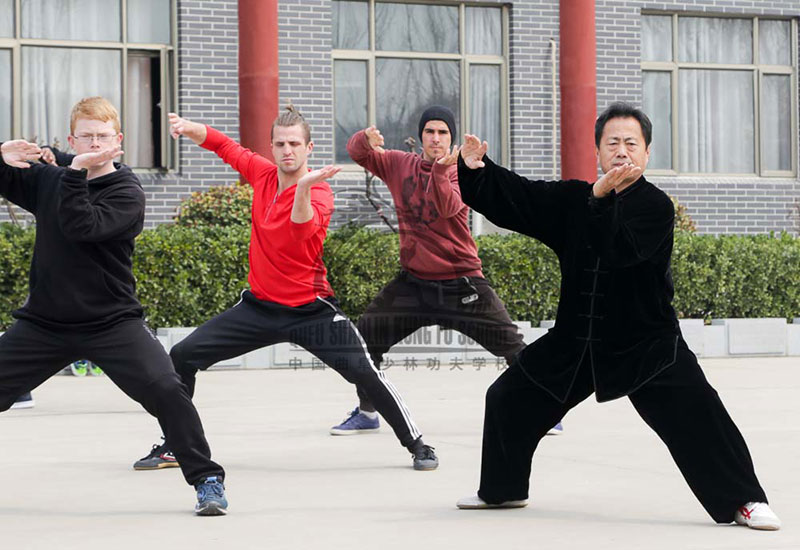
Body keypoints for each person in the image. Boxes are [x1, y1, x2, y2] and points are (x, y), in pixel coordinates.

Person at [452, 102, 780, 531]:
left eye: (631, 143)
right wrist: (478, 170)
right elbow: (522, 198)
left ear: (646, 153)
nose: (622, 150)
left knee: (699, 414)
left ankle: (745, 501)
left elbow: (621, 249)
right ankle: (503, 489)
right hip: (576, 340)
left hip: (646, 343)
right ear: (599, 152)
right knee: (508, 398)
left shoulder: (656, 207)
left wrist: (600, 200)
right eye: (613, 143)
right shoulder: (574, 199)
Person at [134, 106, 438, 472]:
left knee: (365, 372)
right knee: (182, 356)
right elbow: (225, 147)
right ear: (272, 148)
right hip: (259, 308)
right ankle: (175, 444)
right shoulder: (262, 174)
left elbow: (299, 232)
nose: (287, 150)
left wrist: (304, 189)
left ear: (309, 148)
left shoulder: (321, 192)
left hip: (311, 311)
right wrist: (190, 127)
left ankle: (418, 444)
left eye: (295, 143)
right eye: (280, 143)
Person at [0, 97, 228, 516]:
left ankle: (207, 480)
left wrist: (71, 170)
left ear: (118, 141)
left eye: (102, 136)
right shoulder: (52, 179)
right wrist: (0, 156)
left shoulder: (126, 191)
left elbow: (80, 225)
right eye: (86, 136)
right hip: (44, 324)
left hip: (111, 323)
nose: (94, 143)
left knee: (166, 388)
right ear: (72, 138)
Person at [331, 106, 563, 436]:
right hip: (412, 284)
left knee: (511, 346)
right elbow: (357, 153)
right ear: (422, 136)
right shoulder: (400, 164)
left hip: (461, 283)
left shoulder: (462, 172)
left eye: (443, 133)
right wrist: (364, 139)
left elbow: (449, 207)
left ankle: (545, 411)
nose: (436, 138)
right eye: (430, 131)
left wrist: (441, 172)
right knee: (365, 341)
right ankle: (367, 412)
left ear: (451, 138)